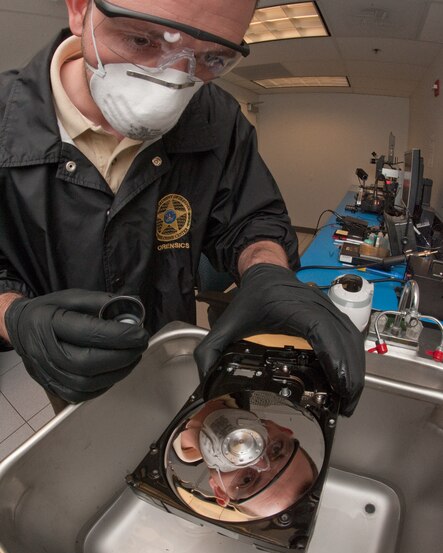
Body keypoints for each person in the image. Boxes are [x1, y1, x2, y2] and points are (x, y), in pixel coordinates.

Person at [0, 0, 365, 416]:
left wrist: (267, 270)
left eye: (211, 58)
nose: (172, 82)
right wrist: (14, 317)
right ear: (80, 10)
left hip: (173, 350)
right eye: (141, 39)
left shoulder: (217, 117)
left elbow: (251, 218)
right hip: (66, 362)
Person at [173, 397, 317, 519]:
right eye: (276, 450)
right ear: (281, 428)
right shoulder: (242, 371)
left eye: (247, 480)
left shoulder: (151, 439)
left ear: (219, 490)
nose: (252, 456)